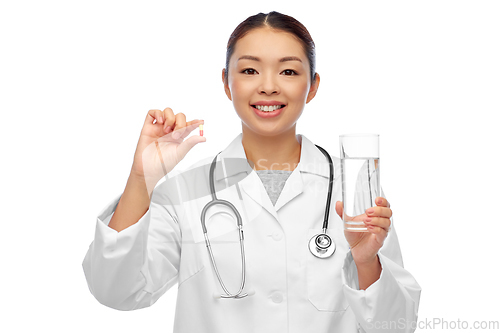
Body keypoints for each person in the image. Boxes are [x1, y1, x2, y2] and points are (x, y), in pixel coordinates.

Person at [83, 11, 421, 333]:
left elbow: (397, 326)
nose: (269, 87)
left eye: (288, 71)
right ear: (226, 83)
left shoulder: (356, 194)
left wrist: (365, 262)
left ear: (313, 86)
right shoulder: (185, 192)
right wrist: (142, 179)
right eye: (249, 71)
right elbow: (115, 291)